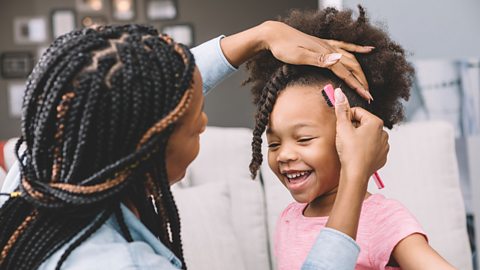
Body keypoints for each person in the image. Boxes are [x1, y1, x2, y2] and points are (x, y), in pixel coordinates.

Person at [0, 21, 384, 270]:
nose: (204, 122)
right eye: (196, 127)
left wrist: (262, 36)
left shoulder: (36, 174)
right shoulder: (120, 263)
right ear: (149, 147)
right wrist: (354, 174)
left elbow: (140, 91)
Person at [246, 7, 456, 270]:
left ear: (353, 133)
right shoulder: (289, 218)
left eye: (304, 139)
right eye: (274, 143)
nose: (285, 154)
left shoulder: (382, 219)